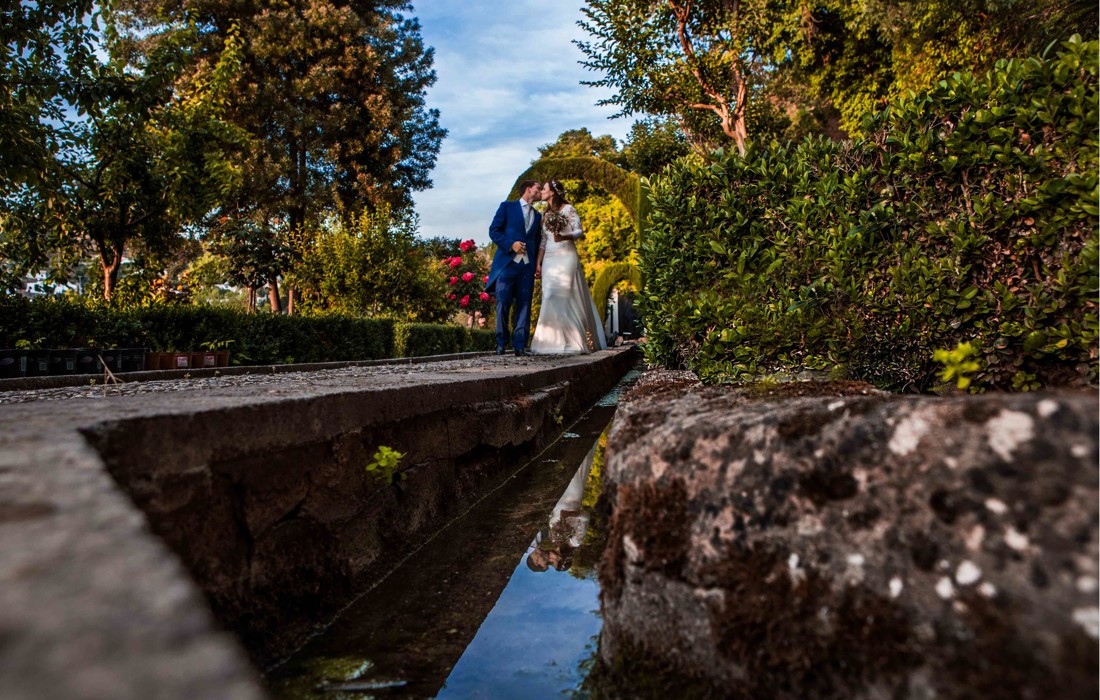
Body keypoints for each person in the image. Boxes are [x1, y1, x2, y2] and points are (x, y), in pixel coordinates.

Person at [530, 179, 608, 355]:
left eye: (544, 189)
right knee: (549, 295)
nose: (541, 191)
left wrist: (564, 237)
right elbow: (543, 240)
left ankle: (572, 341)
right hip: (549, 257)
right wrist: (538, 262)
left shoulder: (568, 209)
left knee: (564, 296)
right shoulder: (544, 213)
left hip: (566, 256)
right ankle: (549, 342)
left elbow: (580, 232)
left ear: (553, 192)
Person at [487, 180, 543, 356]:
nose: (540, 191)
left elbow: (538, 240)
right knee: (503, 302)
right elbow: (494, 231)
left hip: (527, 267)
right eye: (538, 188)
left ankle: (520, 346)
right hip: (507, 264)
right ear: (528, 189)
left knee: (525, 305)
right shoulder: (507, 207)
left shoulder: (538, 216)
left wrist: (537, 264)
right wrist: (511, 245)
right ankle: (501, 343)